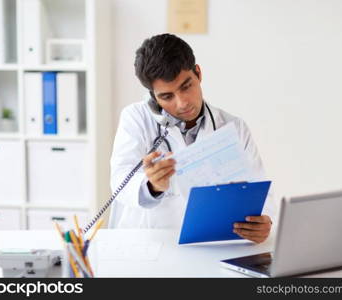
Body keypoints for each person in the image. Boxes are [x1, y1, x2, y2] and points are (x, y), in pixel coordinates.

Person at [108, 33, 275, 243]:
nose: (182, 103)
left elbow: (262, 194)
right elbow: (119, 183)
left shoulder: (234, 127)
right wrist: (152, 186)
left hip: (212, 244)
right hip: (149, 244)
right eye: (167, 96)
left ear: (198, 73)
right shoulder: (135, 119)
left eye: (186, 86)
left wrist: (264, 222)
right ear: (153, 97)